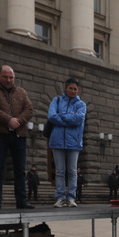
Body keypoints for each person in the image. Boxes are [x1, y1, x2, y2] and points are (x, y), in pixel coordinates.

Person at [0, 65, 35, 210]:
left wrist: (18, 121)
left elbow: (29, 109)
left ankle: (21, 200)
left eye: (11, 77)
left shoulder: (22, 92)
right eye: (5, 77)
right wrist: (8, 120)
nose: (8, 80)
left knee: (20, 169)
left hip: (19, 134)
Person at [47, 77, 86, 208]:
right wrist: (70, 117)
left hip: (74, 142)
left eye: (75, 89)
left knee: (72, 171)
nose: (73, 91)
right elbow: (52, 116)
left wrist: (61, 115)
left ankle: (71, 197)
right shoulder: (56, 100)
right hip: (57, 141)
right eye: (70, 88)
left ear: (78, 90)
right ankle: (60, 198)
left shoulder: (81, 105)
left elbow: (78, 119)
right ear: (66, 88)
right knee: (59, 171)